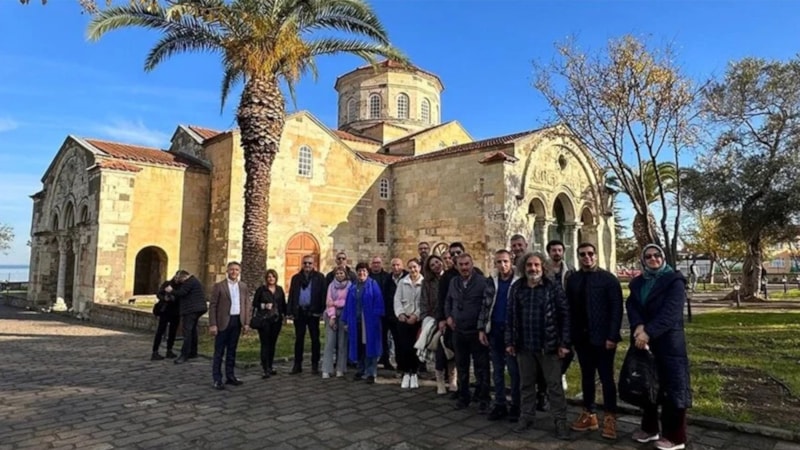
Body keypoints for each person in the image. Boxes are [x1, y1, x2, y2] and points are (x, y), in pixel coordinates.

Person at [627, 244, 692, 450]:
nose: (653, 259)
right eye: (648, 256)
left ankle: (675, 437)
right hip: (643, 340)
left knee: (673, 387)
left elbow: (671, 313)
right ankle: (650, 428)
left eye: (657, 255)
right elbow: (632, 305)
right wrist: (638, 325)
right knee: (648, 384)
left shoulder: (674, 281)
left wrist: (648, 332)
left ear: (663, 257)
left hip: (668, 341)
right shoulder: (638, 282)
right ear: (643, 260)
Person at [505, 252, 571, 440]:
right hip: (524, 346)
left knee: (554, 386)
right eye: (529, 265)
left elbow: (565, 315)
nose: (532, 269)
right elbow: (510, 316)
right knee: (526, 385)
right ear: (523, 267)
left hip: (548, 346)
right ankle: (526, 417)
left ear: (543, 267)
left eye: (536, 265)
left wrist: (564, 343)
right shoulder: (517, 288)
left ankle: (560, 422)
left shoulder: (553, 287)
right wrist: (509, 341)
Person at [565, 242, 623, 439]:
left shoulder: (608, 279)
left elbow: (616, 310)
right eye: (582, 254)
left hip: (604, 338)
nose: (587, 257)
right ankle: (589, 414)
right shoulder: (573, 280)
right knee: (587, 377)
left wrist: (612, 336)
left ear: (596, 256)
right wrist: (570, 337)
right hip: (582, 339)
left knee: (607, 379)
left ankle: (610, 417)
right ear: (578, 257)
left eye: (590, 253)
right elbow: (570, 310)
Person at [444, 253, 491, 413]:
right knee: (461, 366)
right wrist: (449, 316)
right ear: (456, 266)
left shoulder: (482, 282)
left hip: (475, 332)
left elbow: (486, 306)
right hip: (458, 330)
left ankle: (484, 398)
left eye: (467, 264)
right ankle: (464, 396)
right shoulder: (453, 282)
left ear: (472, 264)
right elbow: (448, 301)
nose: (464, 267)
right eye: (461, 265)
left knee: (481, 367)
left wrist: (482, 328)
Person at [479, 249, 521, 422]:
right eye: (498, 262)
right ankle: (500, 403)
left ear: (511, 261)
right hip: (494, 330)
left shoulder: (519, 282)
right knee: (497, 370)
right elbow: (485, 306)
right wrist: (481, 329)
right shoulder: (491, 282)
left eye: (505, 261)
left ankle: (516, 406)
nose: (502, 265)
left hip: (511, 331)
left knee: (513, 370)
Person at [208, 261, 251, 390]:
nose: (234, 272)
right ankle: (217, 379)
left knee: (232, 351)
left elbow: (247, 305)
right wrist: (213, 324)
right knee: (219, 352)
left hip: (236, 321)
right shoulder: (219, 286)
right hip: (222, 322)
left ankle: (230, 376)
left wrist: (246, 322)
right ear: (227, 271)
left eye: (236, 270)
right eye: (231, 269)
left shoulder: (243, 286)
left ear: (239, 271)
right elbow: (213, 306)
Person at [343, 262, 385, 384]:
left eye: (364, 271)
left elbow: (378, 301)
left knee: (370, 346)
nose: (362, 273)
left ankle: (371, 372)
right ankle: (361, 369)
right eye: (360, 271)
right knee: (359, 346)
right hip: (356, 321)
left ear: (368, 272)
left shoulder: (373, 284)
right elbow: (348, 304)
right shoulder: (353, 286)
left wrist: (376, 319)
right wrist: (346, 320)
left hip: (370, 322)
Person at [287, 255, 327, 375]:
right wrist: (290, 311)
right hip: (299, 313)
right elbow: (292, 295)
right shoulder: (296, 278)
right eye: (305, 263)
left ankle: (315, 365)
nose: (307, 265)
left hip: (313, 313)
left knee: (315, 339)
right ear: (302, 264)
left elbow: (323, 295)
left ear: (313, 264)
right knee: (299, 339)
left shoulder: (319, 278)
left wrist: (322, 311)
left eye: (309, 263)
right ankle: (297, 365)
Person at [394, 258, 424, 389]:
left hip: (416, 320)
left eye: (415, 267)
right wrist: (400, 313)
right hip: (404, 319)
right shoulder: (402, 282)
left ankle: (415, 372)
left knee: (415, 347)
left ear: (419, 268)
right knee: (404, 346)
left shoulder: (424, 283)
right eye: (410, 267)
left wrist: (416, 315)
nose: (413, 270)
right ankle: (406, 372)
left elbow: (424, 302)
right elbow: (397, 299)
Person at [166, 270, 207, 365]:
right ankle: (193, 352)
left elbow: (182, 293)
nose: (178, 281)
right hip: (197, 308)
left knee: (187, 332)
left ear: (183, 277)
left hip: (191, 310)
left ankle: (184, 355)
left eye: (179, 279)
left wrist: (171, 290)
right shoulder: (193, 281)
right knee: (192, 331)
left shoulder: (189, 282)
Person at [252, 269, 287, 378]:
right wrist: (264, 305)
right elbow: (255, 304)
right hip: (264, 320)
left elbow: (282, 304)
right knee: (265, 344)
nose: (271, 279)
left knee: (272, 344)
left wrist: (285, 315)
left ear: (276, 278)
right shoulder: (261, 290)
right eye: (269, 277)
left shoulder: (279, 289)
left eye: (273, 277)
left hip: (276, 320)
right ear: (266, 279)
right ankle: (265, 368)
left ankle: (270, 366)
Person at [322, 267, 351, 379]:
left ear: (345, 274)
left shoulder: (349, 286)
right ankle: (327, 369)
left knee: (342, 342)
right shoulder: (331, 286)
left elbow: (347, 302)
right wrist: (332, 316)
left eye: (341, 273)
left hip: (344, 314)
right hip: (331, 314)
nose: (339, 275)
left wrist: (336, 303)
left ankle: (340, 368)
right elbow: (329, 302)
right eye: (337, 273)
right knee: (330, 342)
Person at [151, 272, 181, 360]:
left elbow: (181, 296)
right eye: (176, 277)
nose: (177, 279)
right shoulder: (167, 283)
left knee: (173, 332)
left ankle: (169, 350)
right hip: (165, 310)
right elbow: (159, 294)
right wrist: (165, 298)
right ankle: (155, 351)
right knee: (160, 331)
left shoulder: (182, 286)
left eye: (179, 278)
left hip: (176, 312)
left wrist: (174, 296)